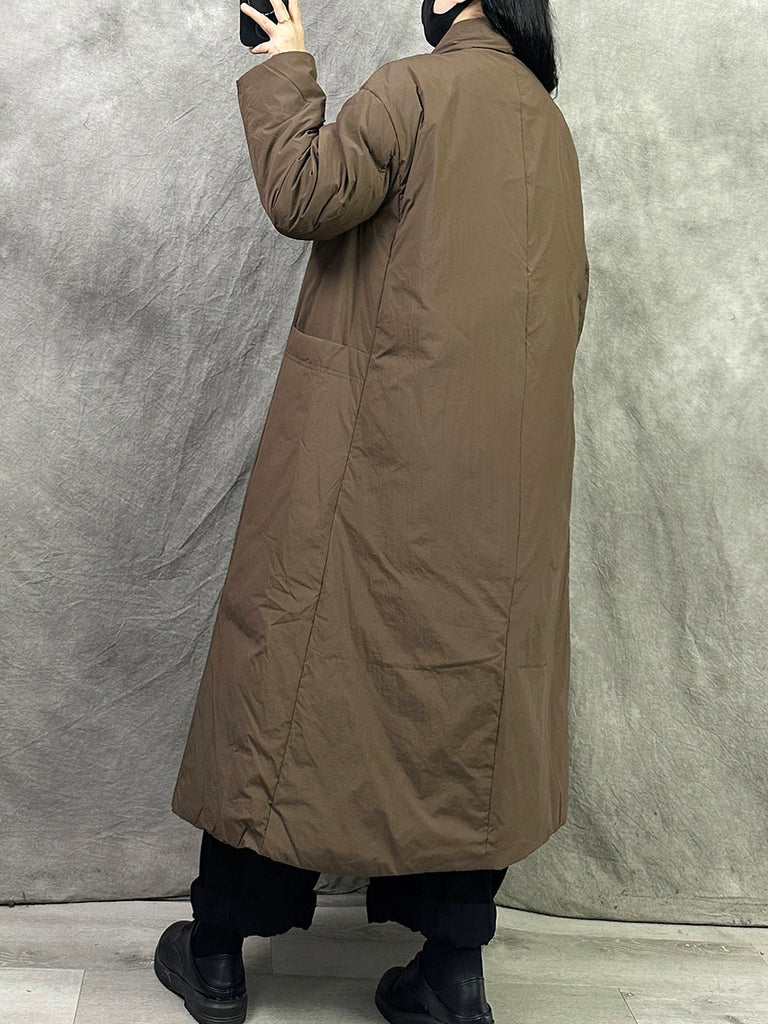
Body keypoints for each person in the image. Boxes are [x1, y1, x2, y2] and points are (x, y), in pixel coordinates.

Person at [154, 1, 589, 1022]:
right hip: (502, 490)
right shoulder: (549, 125)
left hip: (373, 461)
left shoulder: (415, 90)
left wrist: (287, 63)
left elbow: (303, 193)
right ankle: (452, 971)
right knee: (468, 702)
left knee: (294, 674)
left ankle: (218, 951)